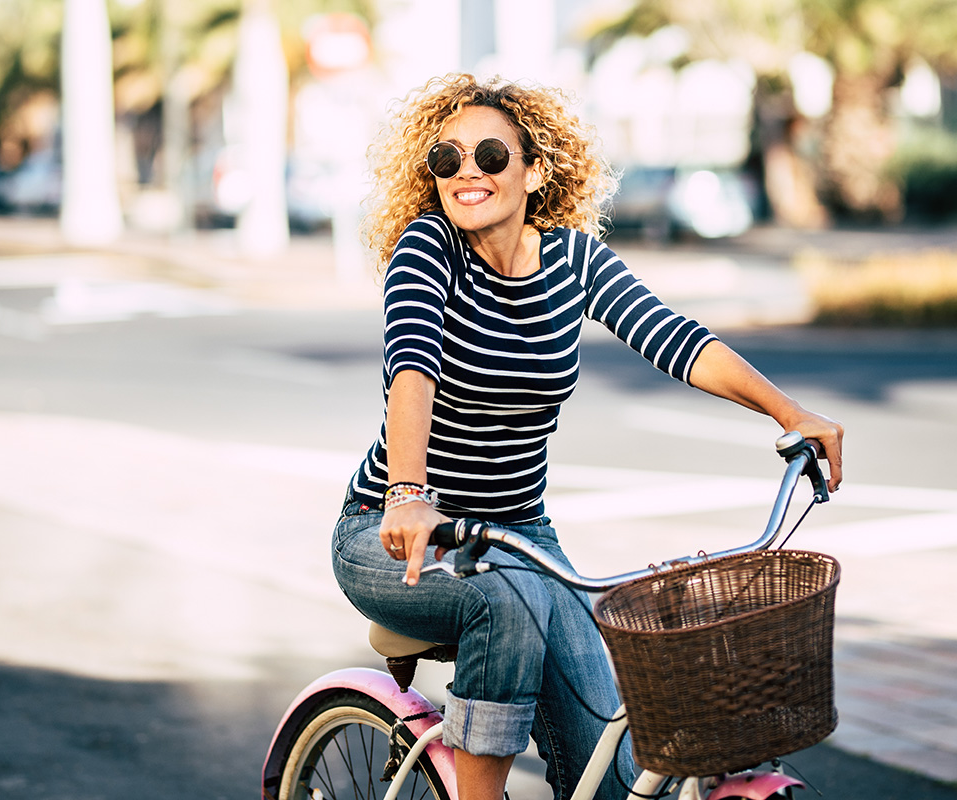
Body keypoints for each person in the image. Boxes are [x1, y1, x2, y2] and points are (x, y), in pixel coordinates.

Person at [331, 73, 844, 800]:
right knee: (502, 599)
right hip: (394, 533)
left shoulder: (573, 261)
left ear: (535, 169)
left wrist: (789, 413)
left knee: (613, 768)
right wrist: (408, 494)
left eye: (489, 154)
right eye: (446, 160)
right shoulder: (428, 248)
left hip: (520, 534)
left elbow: (674, 337)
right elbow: (410, 365)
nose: (466, 172)